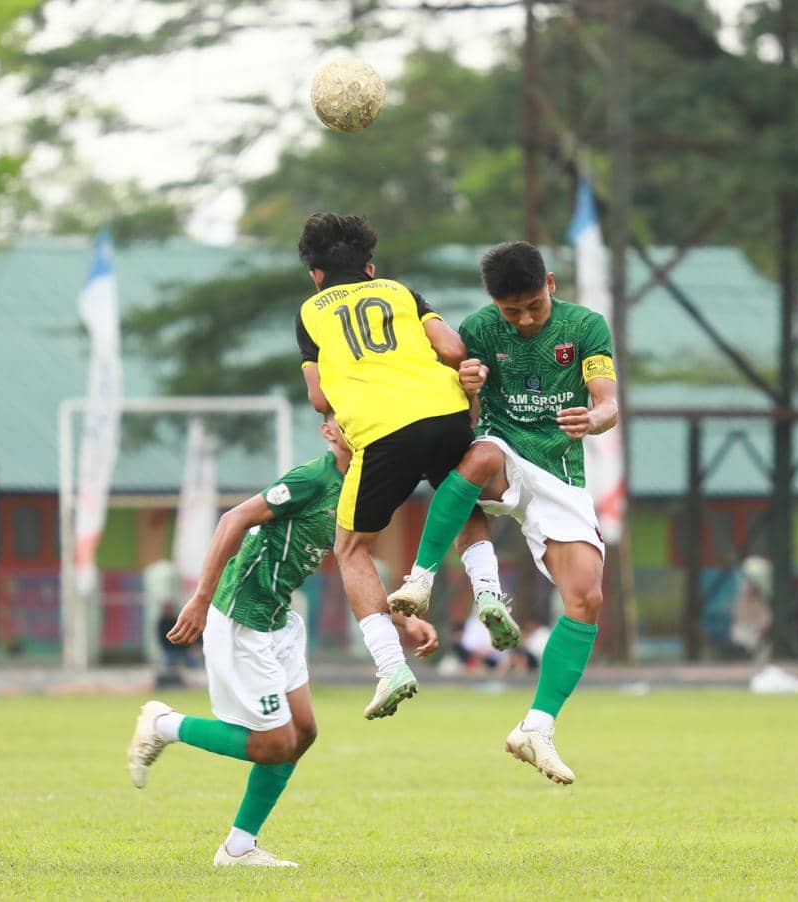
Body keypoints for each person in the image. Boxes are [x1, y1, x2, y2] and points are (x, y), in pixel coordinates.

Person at [127, 416, 437, 869]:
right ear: (329, 431)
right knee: (274, 743)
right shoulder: (313, 478)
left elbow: (355, 561)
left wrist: (403, 622)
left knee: (303, 733)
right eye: (344, 419)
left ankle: (237, 849)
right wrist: (199, 597)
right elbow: (234, 518)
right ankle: (164, 725)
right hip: (242, 616)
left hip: (278, 620)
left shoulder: (360, 487)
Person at [388, 240, 619, 784]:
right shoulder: (479, 329)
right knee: (479, 454)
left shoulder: (586, 327)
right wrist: (468, 388)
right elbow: (461, 417)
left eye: (533, 306)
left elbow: (607, 399)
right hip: (502, 450)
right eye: (510, 311)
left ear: (552, 285)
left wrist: (596, 417)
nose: (523, 319)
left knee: (586, 597)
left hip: (559, 474)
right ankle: (419, 580)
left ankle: (536, 728)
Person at [294, 212, 480, 719]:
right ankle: (489, 594)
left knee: (351, 548)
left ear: (315, 274)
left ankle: (390, 665)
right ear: (370, 267)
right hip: (446, 414)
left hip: (383, 434)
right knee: (461, 496)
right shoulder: (400, 292)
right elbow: (452, 348)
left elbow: (317, 397)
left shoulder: (311, 312)